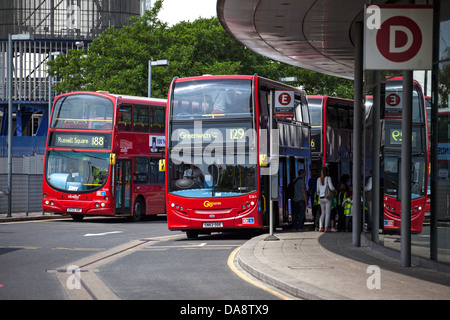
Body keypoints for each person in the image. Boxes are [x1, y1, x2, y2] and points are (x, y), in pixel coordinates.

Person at [317, 166, 335, 232]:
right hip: (327, 198)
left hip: (321, 198)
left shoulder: (318, 179)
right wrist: (334, 190)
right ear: (327, 172)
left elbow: (317, 190)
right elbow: (331, 187)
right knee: (327, 213)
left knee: (322, 213)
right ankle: (326, 228)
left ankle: (320, 227)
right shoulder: (328, 178)